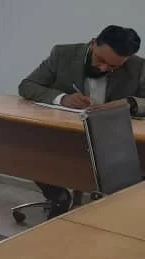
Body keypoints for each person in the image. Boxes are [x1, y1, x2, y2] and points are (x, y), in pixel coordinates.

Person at [18, 25, 145, 217]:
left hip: (111, 139)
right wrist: (62, 98)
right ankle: (57, 196)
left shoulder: (137, 66)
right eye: (101, 60)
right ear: (93, 43)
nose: (104, 68)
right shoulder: (63, 55)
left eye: (113, 67)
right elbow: (27, 85)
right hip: (64, 133)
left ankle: (118, 213)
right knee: (26, 147)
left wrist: (130, 102)